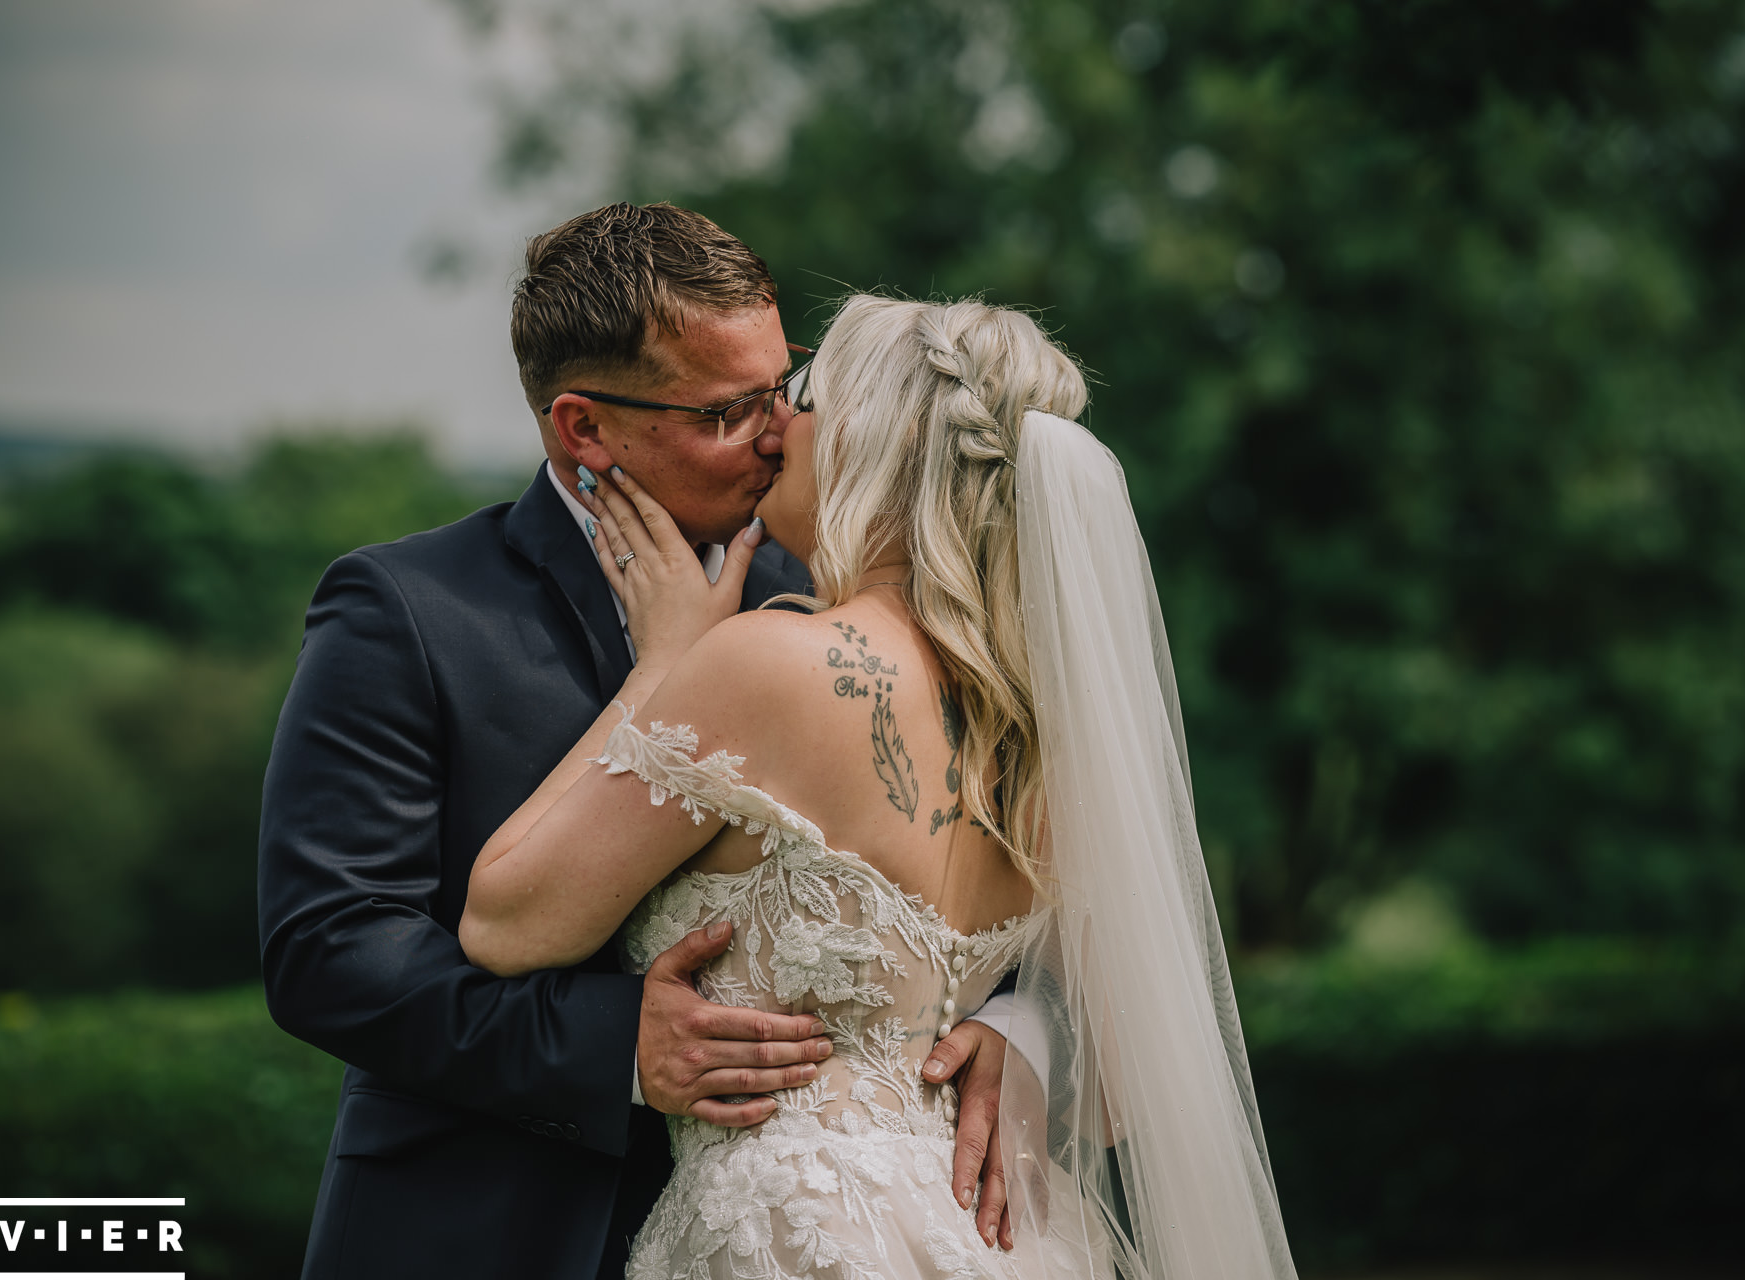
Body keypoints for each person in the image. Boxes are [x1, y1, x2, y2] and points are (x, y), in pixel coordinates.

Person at [460, 295, 1299, 1277]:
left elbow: (505, 920)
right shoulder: (1048, 729)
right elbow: (1126, 1071)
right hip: (998, 1232)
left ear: (867, 434)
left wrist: (664, 666)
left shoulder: (764, 663)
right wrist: (1020, 1043)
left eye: (802, 396)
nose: (775, 423)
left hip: (791, 1231)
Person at [258, 205, 1019, 1280]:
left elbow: (998, 896)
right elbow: (329, 950)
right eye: (726, 409)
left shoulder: (830, 602)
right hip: (484, 1234)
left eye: (780, 389)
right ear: (584, 428)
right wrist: (614, 1045)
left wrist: (1023, 1035)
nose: (772, 433)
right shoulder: (410, 611)